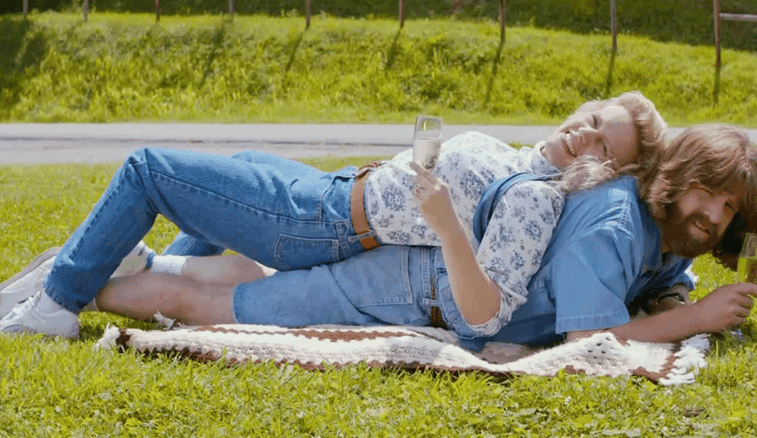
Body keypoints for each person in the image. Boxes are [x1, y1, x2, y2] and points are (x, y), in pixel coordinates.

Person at [0, 92, 666, 339]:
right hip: (333, 190)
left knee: (150, 168)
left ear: (605, 170)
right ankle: (139, 261)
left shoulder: (537, 195)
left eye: (605, 147)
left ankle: (58, 303)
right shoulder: (527, 157)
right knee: (241, 156)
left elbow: (487, 309)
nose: (586, 136)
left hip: (318, 219)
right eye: (595, 121)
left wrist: (439, 215)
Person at [461, 123, 757, 350]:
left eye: (728, 207)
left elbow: (674, 274)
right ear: (677, 177)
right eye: (707, 191)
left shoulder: (674, 230)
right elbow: (587, 340)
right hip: (437, 300)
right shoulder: (617, 226)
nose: (713, 216)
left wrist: (673, 299)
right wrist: (697, 317)